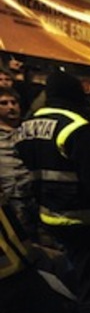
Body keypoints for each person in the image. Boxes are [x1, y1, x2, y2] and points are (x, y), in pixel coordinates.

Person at [15, 70, 90, 313]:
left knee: (79, 275)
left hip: (51, 214)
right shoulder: (76, 128)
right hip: (84, 217)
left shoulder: (27, 126)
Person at [0, 87, 32, 239]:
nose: (11, 107)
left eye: (14, 102)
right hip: (11, 196)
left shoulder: (30, 129)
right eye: (4, 103)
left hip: (35, 192)